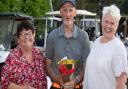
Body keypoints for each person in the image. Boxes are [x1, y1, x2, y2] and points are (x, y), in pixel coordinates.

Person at [45, 0, 90, 89]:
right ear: (61, 12)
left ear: (75, 12)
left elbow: (86, 66)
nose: (68, 14)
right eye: (65, 10)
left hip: (77, 86)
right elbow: (47, 65)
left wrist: (76, 80)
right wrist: (55, 78)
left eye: (70, 10)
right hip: (57, 86)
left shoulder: (83, 37)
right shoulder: (52, 36)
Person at [84, 5, 128, 89]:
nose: (108, 26)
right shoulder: (97, 41)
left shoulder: (118, 47)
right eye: (106, 21)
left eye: (112, 23)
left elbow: (121, 84)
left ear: (117, 25)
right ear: (102, 22)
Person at [1, 21, 47, 89]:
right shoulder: (12, 57)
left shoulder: (39, 55)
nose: (27, 37)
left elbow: (44, 79)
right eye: (23, 34)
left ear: (33, 36)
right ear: (18, 38)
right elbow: (4, 83)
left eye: (29, 33)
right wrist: (23, 88)